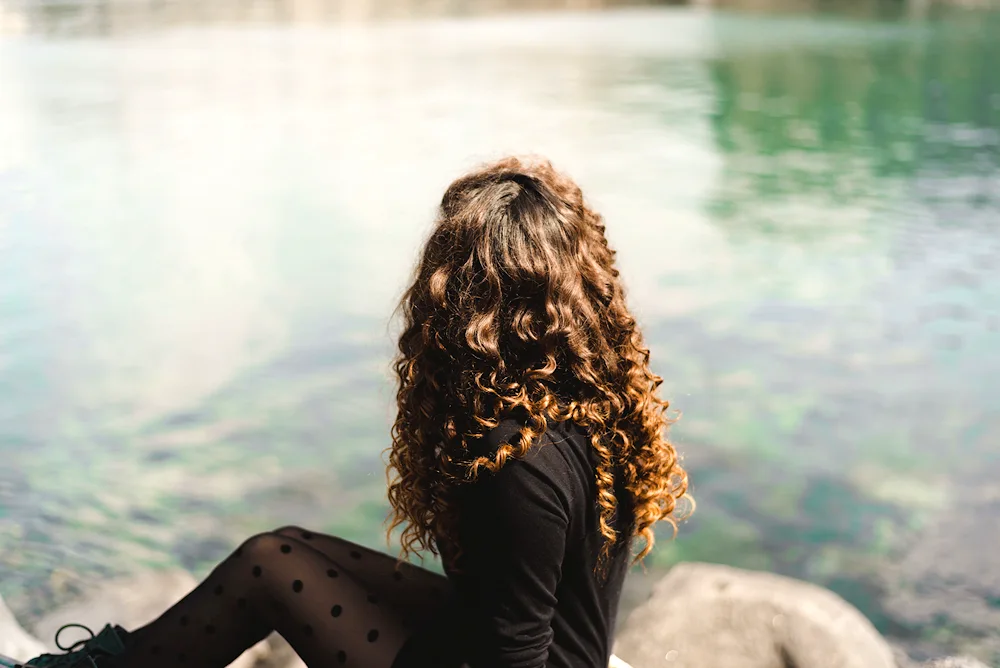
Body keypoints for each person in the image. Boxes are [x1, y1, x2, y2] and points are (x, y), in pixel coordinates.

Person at [13, 156, 692, 668]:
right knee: (274, 552)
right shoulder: (591, 402)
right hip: (528, 649)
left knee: (275, 574)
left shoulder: (514, 461)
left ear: (463, 300)